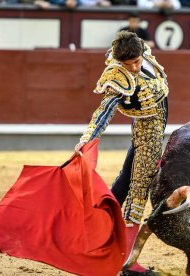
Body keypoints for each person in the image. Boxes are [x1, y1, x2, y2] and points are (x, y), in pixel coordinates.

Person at [74, 30, 169, 274]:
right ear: (120, 62)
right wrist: (87, 140)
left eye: (137, 61)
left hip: (156, 126)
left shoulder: (141, 49)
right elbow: (104, 111)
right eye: (130, 65)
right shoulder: (117, 76)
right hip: (148, 133)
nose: (135, 68)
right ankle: (128, 263)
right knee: (138, 193)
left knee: (125, 182)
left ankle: (93, 231)